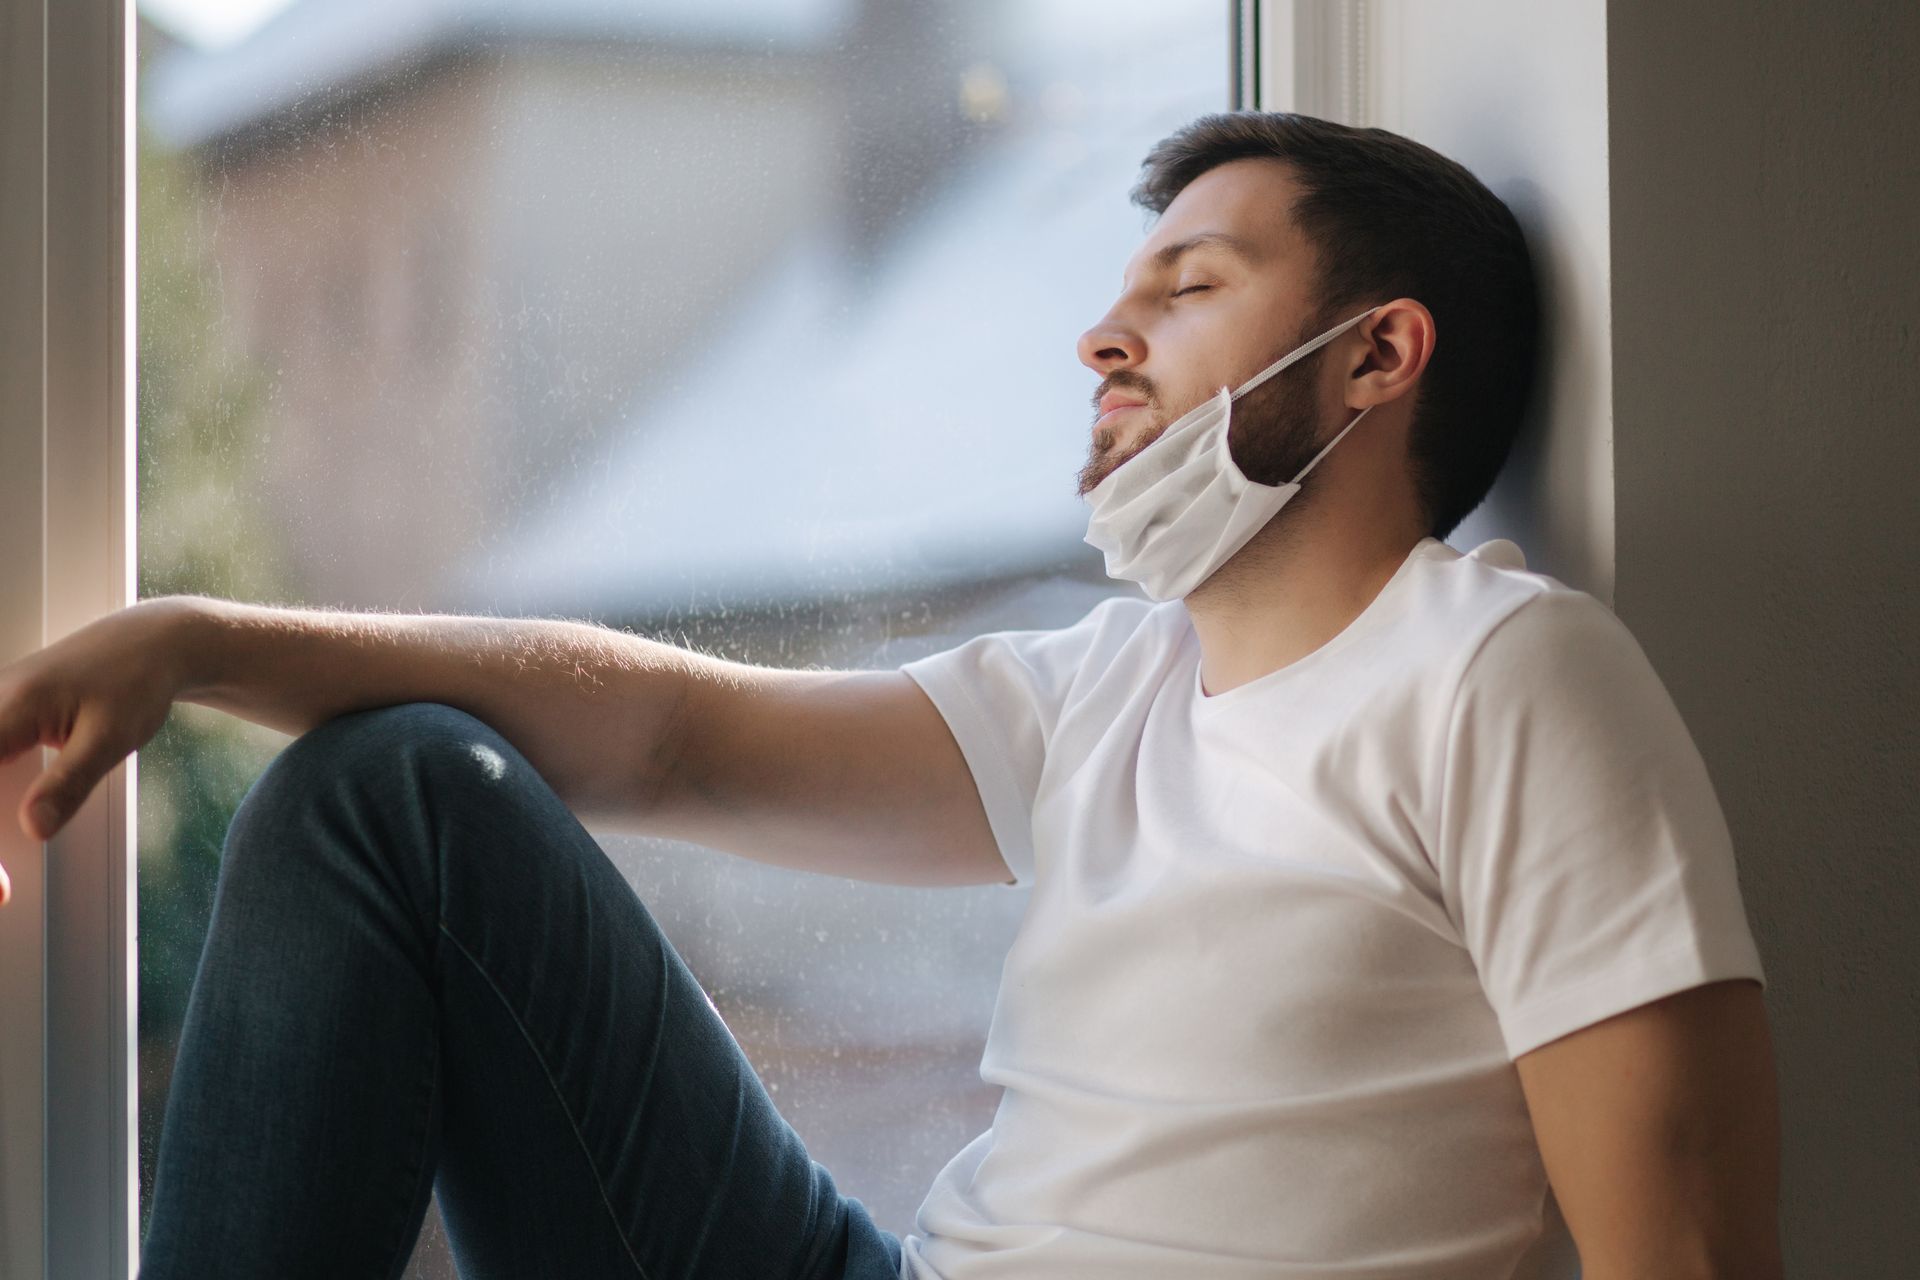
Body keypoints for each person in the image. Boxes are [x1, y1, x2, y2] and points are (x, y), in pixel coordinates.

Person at [0, 112, 1782, 1279]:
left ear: (1379, 355)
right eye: (1115, 294)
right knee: (392, 801)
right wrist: (197, 644)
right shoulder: (1108, 688)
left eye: (1190, 286)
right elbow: (676, 736)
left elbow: (1681, 1241)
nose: (1105, 338)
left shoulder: (1505, 676)